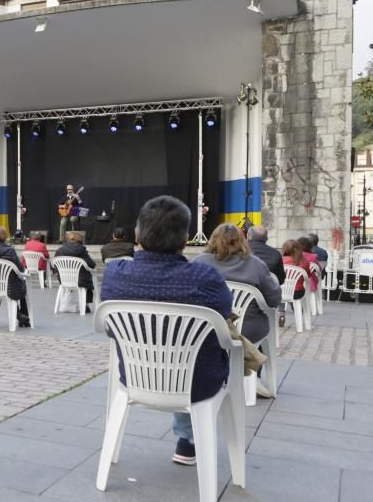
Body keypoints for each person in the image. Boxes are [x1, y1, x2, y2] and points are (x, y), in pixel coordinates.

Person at [101, 196, 233, 467]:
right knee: (206, 351)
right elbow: (224, 312)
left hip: (136, 378)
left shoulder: (115, 274)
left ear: (137, 236)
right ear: (185, 239)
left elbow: (109, 329)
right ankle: (188, 441)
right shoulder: (205, 278)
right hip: (197, 383)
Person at [194, 224, 281, 344]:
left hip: (207, 328)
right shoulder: (256, 264)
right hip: (247, 330)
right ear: (242, 241)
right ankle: (247, 360)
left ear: (213, 240)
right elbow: (274, 300)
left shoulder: (199, 262)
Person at [0, 225, 31, 327]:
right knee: (23, 282)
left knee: (18, 283)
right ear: (4, 236)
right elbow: (21, 269)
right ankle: (23, 317)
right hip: (10, 287)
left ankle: (20, 315)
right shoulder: (9, 250)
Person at [54, 231, 96, 311]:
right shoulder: (82, 251)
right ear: (80, 241)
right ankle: (85, 305)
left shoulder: (60, 250)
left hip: (64, 279)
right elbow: (92, 265)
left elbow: (54, 265)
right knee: (87, 277)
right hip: (81, 280)